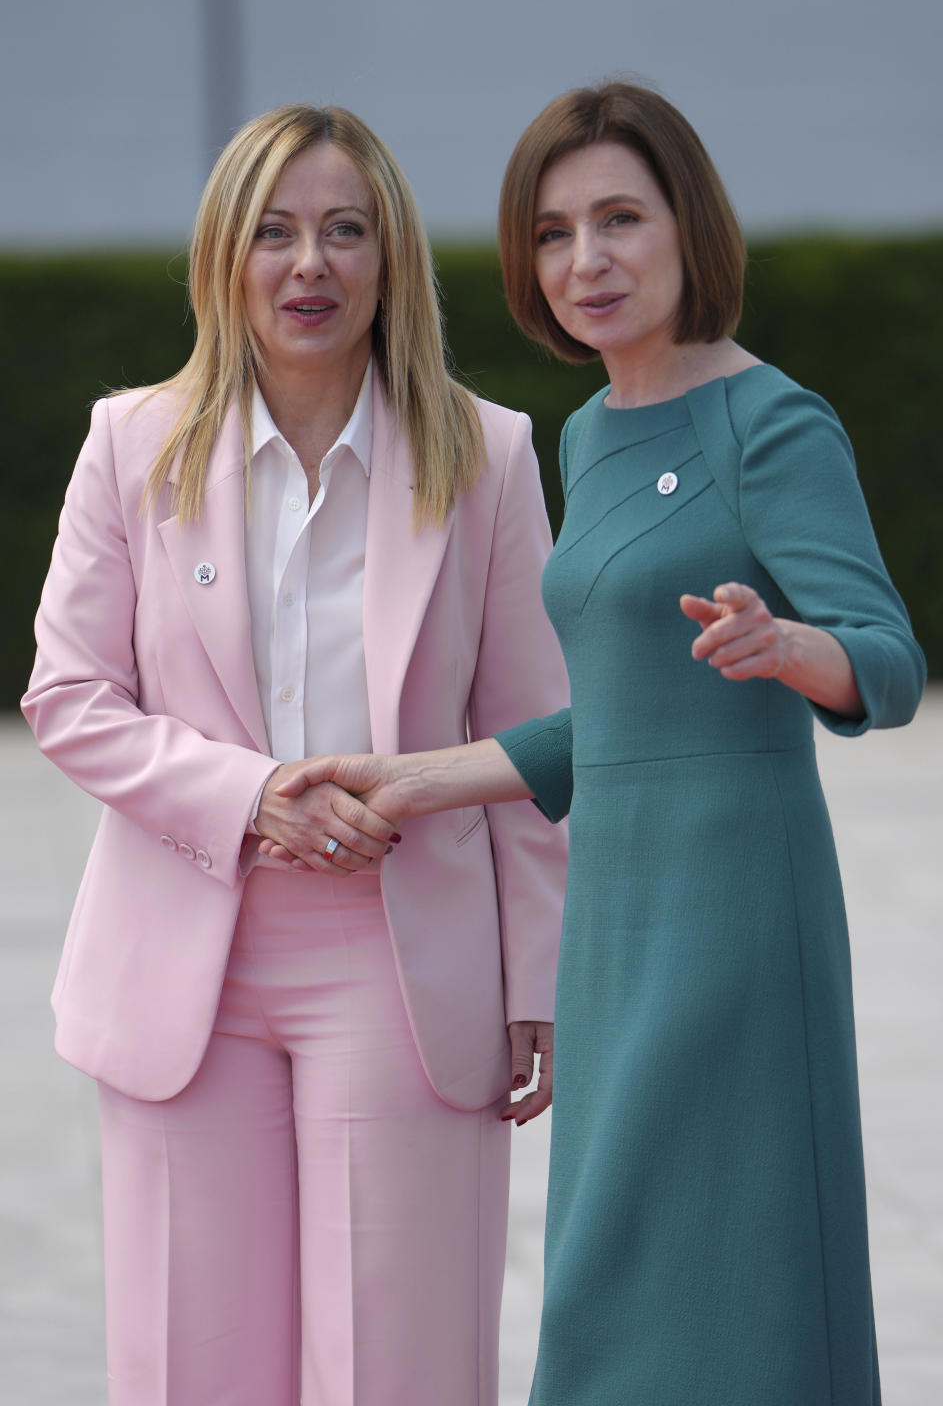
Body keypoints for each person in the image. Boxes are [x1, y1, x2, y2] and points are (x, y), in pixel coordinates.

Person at [260, 84, 927, 1405]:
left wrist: (791, 646)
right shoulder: (592, 433)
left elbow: (889, 656)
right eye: (555, 233)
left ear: (690, 229)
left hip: (736, 909)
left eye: (619, 219)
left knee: (728, 1270)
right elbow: (615, 712)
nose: (588, 261)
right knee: (613, 1266)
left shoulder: (771, 422)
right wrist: (419, 778)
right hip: (616, 919)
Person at [21, 102, 569, 1406]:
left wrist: (541, 971)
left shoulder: (487, 455)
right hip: (180, 977)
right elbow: (70, 694)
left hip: (407, 964)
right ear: (226, 257)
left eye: (343, 231)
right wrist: (253, 795)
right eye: (274, 232)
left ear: (391, 260)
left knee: (404, 1366)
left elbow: (538, 730)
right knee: (191, 1368)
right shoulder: (132, 442)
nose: (309, 263)